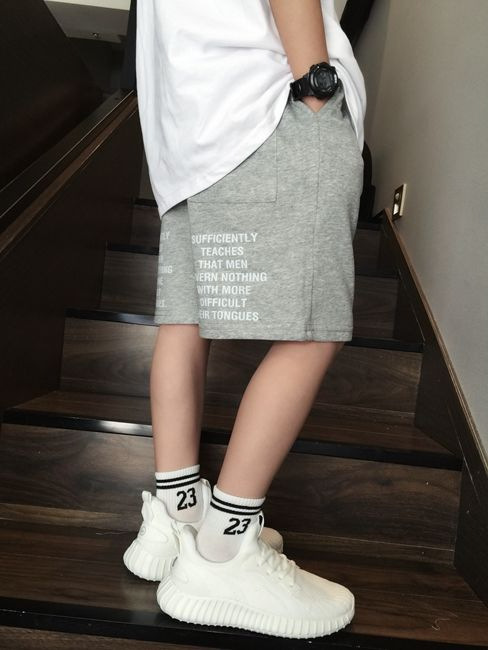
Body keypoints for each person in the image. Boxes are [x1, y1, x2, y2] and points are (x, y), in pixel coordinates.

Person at [123, 0, 366, 639]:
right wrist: (317, 85)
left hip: (192, 135)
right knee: (313, 329)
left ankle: (178, 516)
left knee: (185, 321)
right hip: (267, 108)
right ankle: (223, 551)